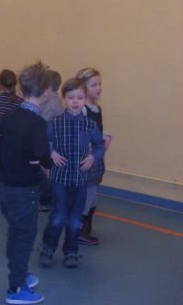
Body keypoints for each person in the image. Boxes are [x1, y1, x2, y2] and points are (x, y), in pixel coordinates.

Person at [0, 61, 52, 305]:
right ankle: (16, 288)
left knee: (16, 232)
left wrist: (5, 153)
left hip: (6, 188)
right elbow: (42, 155)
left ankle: (20, 274)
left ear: (20, 90)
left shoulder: (10, 115)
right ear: (46, 92)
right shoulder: (38, 123)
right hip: (25, 191)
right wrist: (41, 160)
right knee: (24, 236)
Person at [38, 78, 105, 269]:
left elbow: (99, 145)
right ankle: (47, 249)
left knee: (75, 220)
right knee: (58, 217)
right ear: (64, 99)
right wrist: (51, 152)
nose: (75, 101)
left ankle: (71, 251)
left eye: (79, 98)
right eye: (71, 97)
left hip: (81, 181)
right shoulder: (55, 123)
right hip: (60, 179)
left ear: (84, 99)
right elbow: (43, 142)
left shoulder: (89, 125)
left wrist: (93, 157)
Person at [75, 67, 112, 246]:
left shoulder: (96, 108)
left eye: (99, 84)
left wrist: (103, 138)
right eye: (94, 85)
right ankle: (78, 230)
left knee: (92, 195)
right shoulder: (81, 110)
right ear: (83, 87)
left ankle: (85, 227)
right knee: (86, 194)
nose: (99, 88)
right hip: (85, 159)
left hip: (96, 158)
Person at [38, 69, 63, 212]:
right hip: (47, 141)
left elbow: (40, 121)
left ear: (47, 87)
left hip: (51, 143)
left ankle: (46, 201)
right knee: (45, 171)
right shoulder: (48, 100)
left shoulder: (53, 103)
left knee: (47, 172)